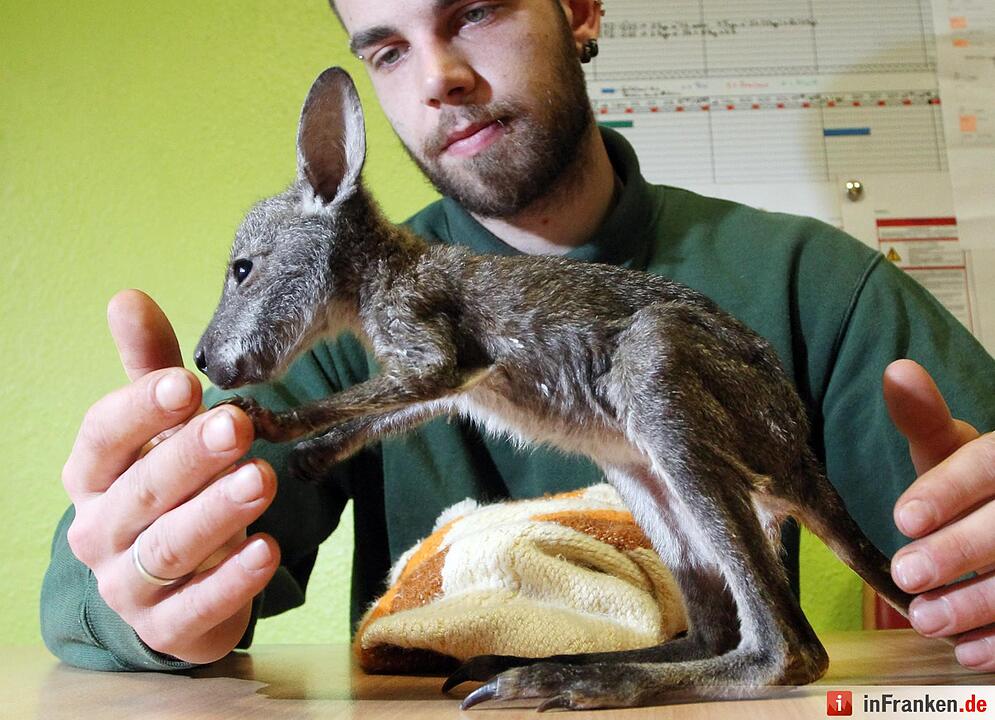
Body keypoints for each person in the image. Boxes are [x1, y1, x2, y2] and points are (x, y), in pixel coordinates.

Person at [43, 0, 995, 674]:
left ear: (578, 10)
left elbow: (436, 370)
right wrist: (142, 576)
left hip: (669, 389)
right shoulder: (343, 331)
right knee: (631, 442)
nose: (440, 80)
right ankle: (713, 647)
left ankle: (759, 650)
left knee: (650, 370)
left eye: (476, 10)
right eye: (387, 51)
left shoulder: (816, 283)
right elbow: (112, 582)